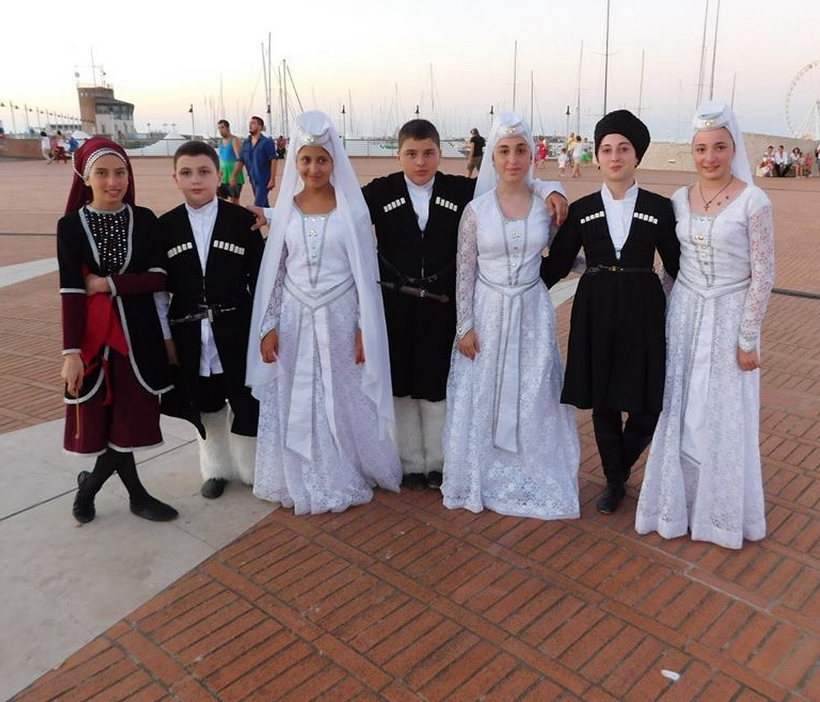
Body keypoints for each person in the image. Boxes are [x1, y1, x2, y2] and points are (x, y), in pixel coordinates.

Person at [362, 119, 568, 492]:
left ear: (441, 153)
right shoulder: (379, 192)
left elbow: (512, 180)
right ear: (399, 155)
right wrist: (270, 215)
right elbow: (337, 206)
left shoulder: (463, 191)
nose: (420, 162)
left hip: (444, 304)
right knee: (403, 383)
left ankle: (440, 460)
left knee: (439, 381)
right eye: (411, 154)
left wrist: (553, 187)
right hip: (395, 303)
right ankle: (410, 460)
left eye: (428, 153)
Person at [635, 101, 775, 549]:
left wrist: (747, 336)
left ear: (734, 148)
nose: (709, 157)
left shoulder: (755, 201)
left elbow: (764, 273)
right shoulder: (679, 199)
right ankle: (677, 504)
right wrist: (662, 311)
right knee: (681, 404)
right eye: (700, 149)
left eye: (718, 147)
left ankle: (720, 511)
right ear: (691, 152)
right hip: (686, 314)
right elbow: (673, 266)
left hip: (730, 315)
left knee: (722, 409)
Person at [247, 110, 401, 514]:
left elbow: (364, 276)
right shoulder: (285, 213)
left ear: (334, 162)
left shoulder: (353, 211)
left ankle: (345, 465)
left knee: (341, 393)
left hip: (340, 315)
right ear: (295, 160)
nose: (313, 168)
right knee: (299, 394)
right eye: (305, 159)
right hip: (296, 319)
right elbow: (277, 274)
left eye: (322, 159)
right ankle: (301, 469)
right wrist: (269, 325)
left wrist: (365, 328)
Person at [442, 111, 580, 520]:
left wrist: (553, 188)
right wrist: (464, 325)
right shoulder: (477, 211)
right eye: (504, 151)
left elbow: (557, 250)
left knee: (533, 390)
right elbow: (465, 269)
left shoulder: (546, 206)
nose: (513, 159)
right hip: (487, 310)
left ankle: (529, 468)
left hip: (531, 313)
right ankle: (484, 472)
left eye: (520, 150)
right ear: (493, 158)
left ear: (531, 155)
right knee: (485, 391)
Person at [542, 110, 680, 515]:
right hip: (596, 308)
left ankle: (619, 465)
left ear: (637, 156)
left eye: (623, 149)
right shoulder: (582, 211)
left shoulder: (661, 208)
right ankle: (614, 481)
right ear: (596, 157)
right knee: (603, 401)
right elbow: (552, 268)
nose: (615, 156)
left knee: (647, 403)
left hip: (644, 309)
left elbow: (676, 266)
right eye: (606, 149)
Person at [58, 137, 178, 524]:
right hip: (94, 342)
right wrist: (71, 352)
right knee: (107, 424)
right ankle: (134, 496)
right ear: (85, 177)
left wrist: (109, 284)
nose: (114, 181)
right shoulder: (70, 227)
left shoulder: (144, 220)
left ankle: (90, 486)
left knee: (129, 422)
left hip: (136, 340)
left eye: (121, 172)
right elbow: (71, 291)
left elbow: (159, 277)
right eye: (103, 173)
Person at [157, 141, 265, 499]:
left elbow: (262, 281)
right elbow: (160, 289)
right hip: (189, 333)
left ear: (220, 175)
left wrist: (264, 330)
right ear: (176, 178)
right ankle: (216, 469)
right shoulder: (166, 227)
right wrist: (166, 339)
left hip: (237, 329)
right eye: (186, 173)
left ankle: (251, 469)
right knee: (206, 405)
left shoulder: (243, 222)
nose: (196, 180)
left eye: (204, 172)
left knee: (245, 401)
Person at [239, 115, 279, 208]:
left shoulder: (267, 142)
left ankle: (254, 221)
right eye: (249, 123)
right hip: (252, 178)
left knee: (258, 203)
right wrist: (234, 176)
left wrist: (272, 180)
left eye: (253, 123)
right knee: (263, 204)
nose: (250, 125)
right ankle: (271, 219)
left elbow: (273, 160)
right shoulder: (246, 143)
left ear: (260, 126)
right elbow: (241, 160)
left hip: (264, 178)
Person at [215, 119, 244, 204]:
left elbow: (240, 159)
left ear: (228, 128)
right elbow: (220, 159)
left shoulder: (234, 140)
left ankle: (236, 217)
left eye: (222, 127)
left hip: (233, 175)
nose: (220, 130)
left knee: (234, 201)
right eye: (219, 128)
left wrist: (234, 176)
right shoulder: (220, 142)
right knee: (218, 198)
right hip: (223, 176)